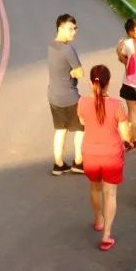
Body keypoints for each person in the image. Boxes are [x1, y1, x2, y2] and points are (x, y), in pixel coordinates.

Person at [77, 64, 133, 250]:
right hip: (111, 155)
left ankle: (98, 219)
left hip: (91, 153)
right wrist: (131, 142)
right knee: (110, 194)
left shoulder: (82, 102)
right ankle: (107, 235)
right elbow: (126, 135)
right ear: (108, 83)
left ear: (91, 81)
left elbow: (83, 121)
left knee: (95, 188)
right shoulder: (116, 105)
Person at [47, 14, 85, 175]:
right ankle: (78, 162)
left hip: (53, 96)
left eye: (75, 28)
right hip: (70, 97)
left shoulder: (51, 44)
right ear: (60, 28)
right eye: (70, 29)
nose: (74, 32)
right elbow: (80, 73)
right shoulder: (68, 49)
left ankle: (58, 164)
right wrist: (72, 73)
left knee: (60, 130)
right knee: (80, 129)